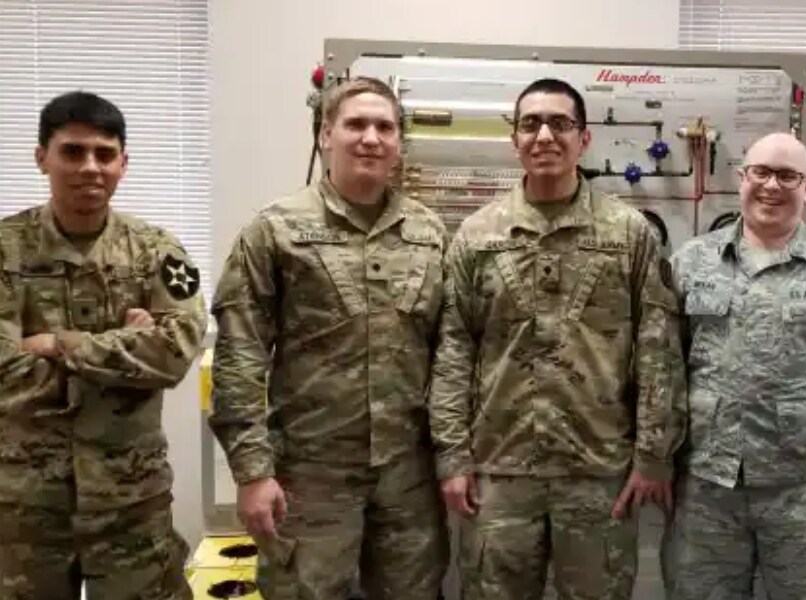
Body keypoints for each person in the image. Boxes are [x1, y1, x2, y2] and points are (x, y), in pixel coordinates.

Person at [427, 77, 687, 600]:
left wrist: (654, 455)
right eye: (531, 123)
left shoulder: (629, 234)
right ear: (515, 140)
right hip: (499, 470)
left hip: (598, 470)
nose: (545, 135)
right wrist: (451, 457)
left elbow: (658, 351)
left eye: (560, 123)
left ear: (584, 139)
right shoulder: (477, 237)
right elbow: (454, 351)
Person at [207, 76, 449, 599]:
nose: (370, 137)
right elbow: (239, 356)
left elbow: (450, 355)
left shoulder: (430, 234)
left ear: (399, 145)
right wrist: (251, 472)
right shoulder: (275, 230)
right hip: (309, 478)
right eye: (356, 124)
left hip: (408, 477)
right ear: (325, 135)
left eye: (384, 127)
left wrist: (452, 460)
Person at [661, 132, 806, 600]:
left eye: (788, 176)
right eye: (761, 173)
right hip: (707, 488)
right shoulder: (690, 264)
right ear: (741, 179)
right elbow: (661, 371)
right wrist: (655, 461)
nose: (772, 186)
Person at [0, 90, 207, 598]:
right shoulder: (5, 250)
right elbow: (4, 373)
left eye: (104, 154)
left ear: (123, 163)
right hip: (27, 503)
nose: (90, 167)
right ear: (41, 157)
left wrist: (56, 343)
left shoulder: (156, 250)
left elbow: (176, 352)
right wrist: (127, 346)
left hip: (130, 497)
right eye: (73, 151)